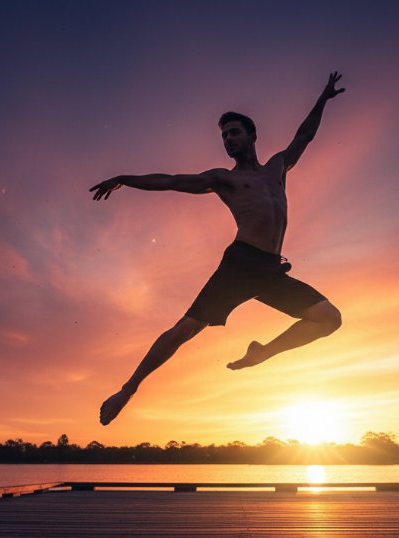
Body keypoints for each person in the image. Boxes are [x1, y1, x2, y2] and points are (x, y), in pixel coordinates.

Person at [90, 72, 346, 425]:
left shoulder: (276, 167)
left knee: (329, 318)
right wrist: (123, 179)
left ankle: (263, 353)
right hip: (240, 265)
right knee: (185, 329)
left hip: (271, 270)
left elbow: (304, 135)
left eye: (234, 132)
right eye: (224, 136)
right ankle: (127, 390)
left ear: (252, 136)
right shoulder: (223, 178)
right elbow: (171, 181)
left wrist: (323, 98)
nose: (228, 140)